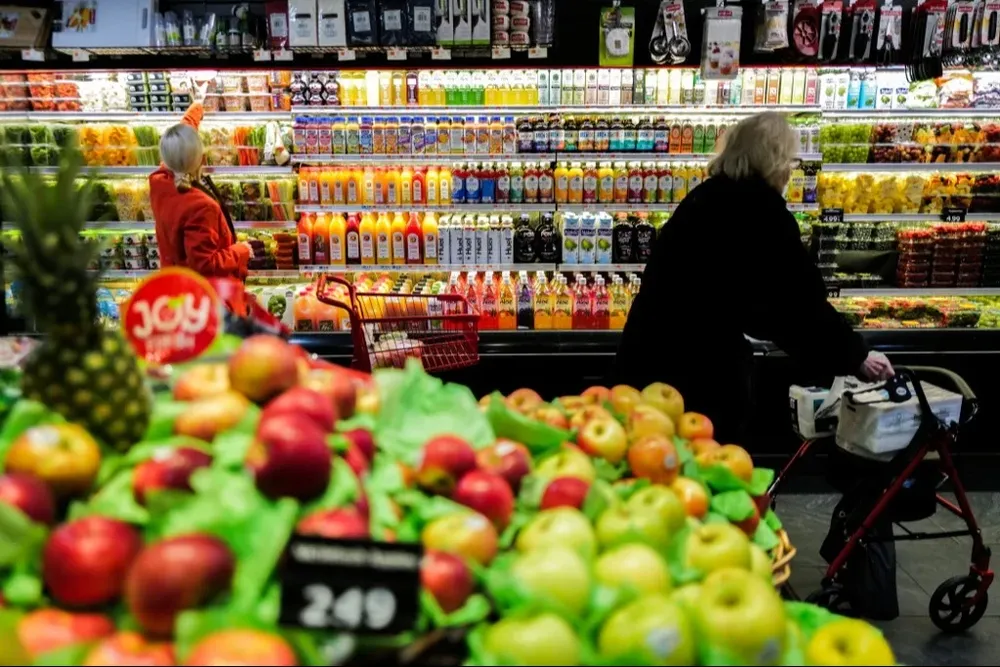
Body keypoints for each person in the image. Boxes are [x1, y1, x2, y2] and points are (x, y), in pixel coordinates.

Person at [611, 112, 893, 444]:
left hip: (645, 354)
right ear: (774, 161)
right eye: (789, 160)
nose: (790, 170)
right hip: (698, 373)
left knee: (644, 458)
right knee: (701, 469)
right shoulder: (762, 213)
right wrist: (856, 356)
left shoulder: (705, 197)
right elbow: (797, 306)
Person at [150, 88, 253, 280]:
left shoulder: (160, 182)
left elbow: (180, 139)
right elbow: (206, 264)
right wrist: (241, 251)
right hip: (205, 294)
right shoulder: (201, 207)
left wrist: (197, 106)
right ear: (202, 158)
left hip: (175, 282)